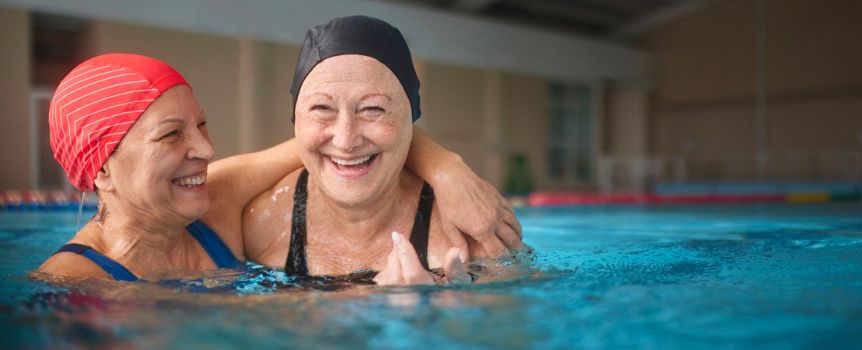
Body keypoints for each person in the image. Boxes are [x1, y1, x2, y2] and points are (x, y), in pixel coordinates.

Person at [37, 53, 520, 281]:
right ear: (100, 170)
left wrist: (447, 168)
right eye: (172, 134)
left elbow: (328, 143)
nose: (205, 150)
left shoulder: (216, 201)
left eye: (201, 125)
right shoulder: (71, 283)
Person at [242, 16, 526, 286]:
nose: (345, 140)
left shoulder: (468, 234)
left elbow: (512, 322)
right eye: (322, 109)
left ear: (410, 121)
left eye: (372, 109)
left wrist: (451, 313)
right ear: (296, 119)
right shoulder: (260, 226)